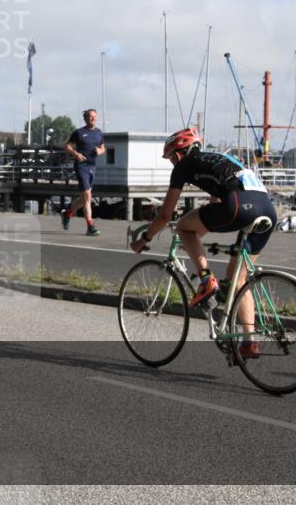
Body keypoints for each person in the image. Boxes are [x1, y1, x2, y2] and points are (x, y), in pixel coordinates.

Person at [130, 127, 277, 362]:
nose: (171, 163)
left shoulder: (183, 166)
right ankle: (250, 342)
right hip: (268, 210)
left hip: (239, 207)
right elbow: (216, 199)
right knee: (237, 280)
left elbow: (166, 214)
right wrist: (203, 231)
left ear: (178, 154)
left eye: (169, 158)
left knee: (183, 227)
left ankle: (207, 280)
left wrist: (144, 239)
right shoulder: (220, 158)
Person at [61, 108, 105, 236]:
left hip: (92, 167)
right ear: (86, 118)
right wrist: (76, 154)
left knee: (84, 198)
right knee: (87, 196)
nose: (93, 119)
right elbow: (67, 146)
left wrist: (100, 151)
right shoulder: (79, 133)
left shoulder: (98, 133)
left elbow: (103, 147)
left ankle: (67, 213)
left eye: (95, 117)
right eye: (91, 117)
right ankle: (90, 227)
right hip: (81, 167)